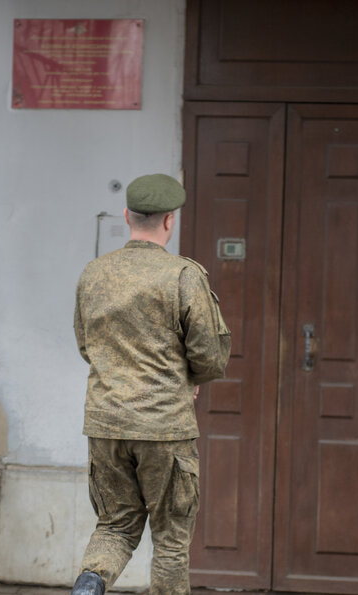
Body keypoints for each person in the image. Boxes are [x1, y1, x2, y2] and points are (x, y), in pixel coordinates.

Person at [71, 173, 232, 595]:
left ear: (127, 216)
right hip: (165, 427)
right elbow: (210, 357)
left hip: (106, 424)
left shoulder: (94, 273)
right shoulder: (183, 275)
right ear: (169, 221)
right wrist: (190, 378)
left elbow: (86, 345)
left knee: (115, 526)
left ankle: (89, 585)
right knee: (171, 541)